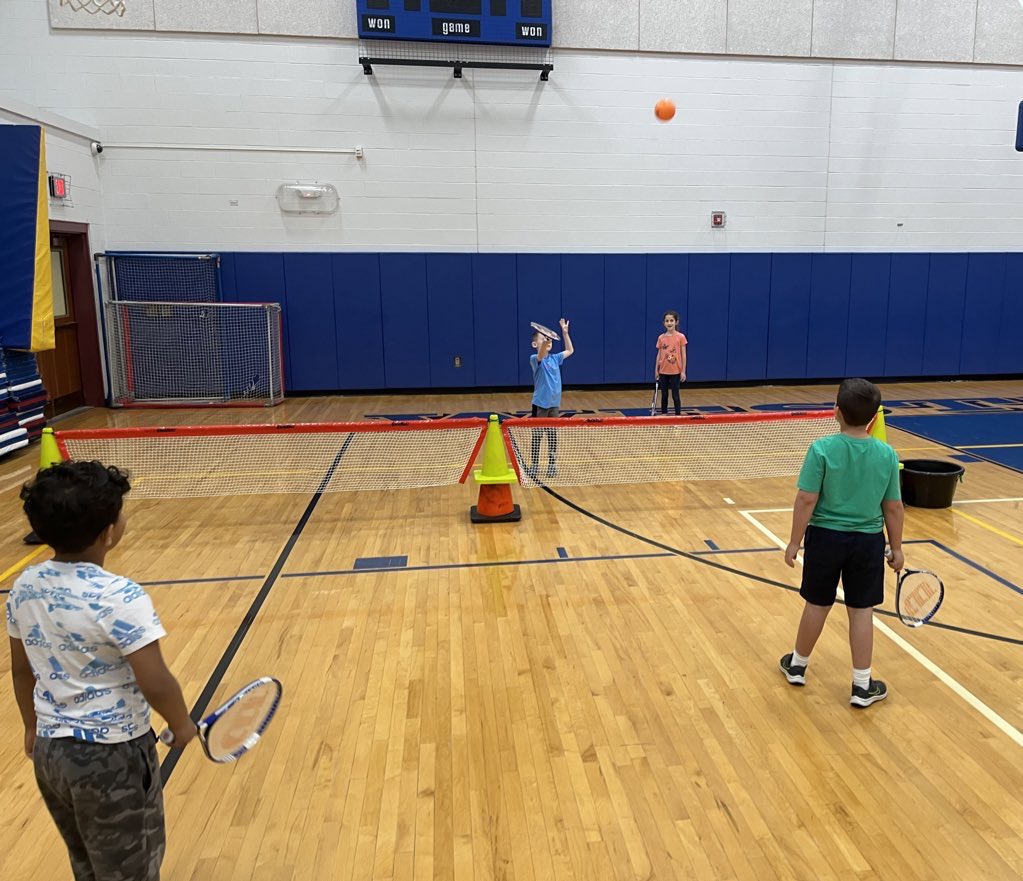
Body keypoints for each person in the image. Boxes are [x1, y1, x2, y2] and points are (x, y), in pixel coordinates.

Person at [6, 461, 196, 881]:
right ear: (109, 532)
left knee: (86, 861)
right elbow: (156, 680)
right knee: (129, 869)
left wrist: (29, 727)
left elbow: (21, 671)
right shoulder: (120, 596)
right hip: (110, 756)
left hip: (51, 752)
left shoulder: (24, 585)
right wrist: (181, 724)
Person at [779, 378, 904, 708]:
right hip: (867, 543)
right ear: (874, 419)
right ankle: (862, 686)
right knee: (861, 611)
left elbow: (806, 499)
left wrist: (794, 541)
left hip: (825, 539)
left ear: (835, 412)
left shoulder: (821, 449)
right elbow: (893, 506)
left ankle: (797, 665)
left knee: (817, 604)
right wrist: (898, 547)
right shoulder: (887, 454)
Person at [528, 318, 573, 478]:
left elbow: (570, 350)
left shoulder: (555, 358)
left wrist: (565, 333)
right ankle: (534, 464)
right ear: (535, 345)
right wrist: (545, 344)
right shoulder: (535, 359)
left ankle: (552, 465)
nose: (547, 341)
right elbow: (541, 355)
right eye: (543, 339)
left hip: (554, 404)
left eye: (548, 339)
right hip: (540, 404)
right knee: (537, 436)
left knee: (552, 436)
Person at [654, 310, 687, 415]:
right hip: (663, 371)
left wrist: (683, 371)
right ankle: (664, 415)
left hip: (675, 372)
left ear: (676, 322)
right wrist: (656, 370)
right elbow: (659, 354)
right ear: (664, 323)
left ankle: (678, 416)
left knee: (675, 395)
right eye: (667, 321)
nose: (669, 323)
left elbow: (684, 355)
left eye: (671, 320)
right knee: (664, 395)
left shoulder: (680, 337)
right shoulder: (661, 338)